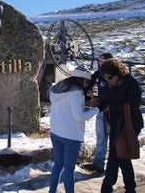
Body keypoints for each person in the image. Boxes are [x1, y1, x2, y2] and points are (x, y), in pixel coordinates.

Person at [48, 65, 104, 193]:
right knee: (69, 170)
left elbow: (68, 106)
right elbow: (79, 117)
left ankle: (52, 191)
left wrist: (86, 103)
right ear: (82, 80)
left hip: (56, 132)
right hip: (71, 135)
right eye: (86, 82)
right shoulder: (76, 93)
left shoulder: (59, 88)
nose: (87, 85)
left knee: (58, 165)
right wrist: (97, 109)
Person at [98, 58, 144, 193]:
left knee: (121, 156)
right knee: (117, 156)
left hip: (129, 124)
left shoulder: (131, 84)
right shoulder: (109, 84)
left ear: (117, 73)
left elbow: (133, 106)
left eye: (110, 77)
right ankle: (123, 188)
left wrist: (110, 107)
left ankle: (117, 188)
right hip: (115, 123)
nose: (108, 80)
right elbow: (106, 100)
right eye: (105, 77)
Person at [82, 52, 113, 173]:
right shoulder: (98, 74)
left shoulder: (115, 74)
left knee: (115, 137)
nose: (100, 63)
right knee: (101, 136)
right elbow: (87, 86)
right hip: (101, 108)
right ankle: (99, 163)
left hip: (115, 110)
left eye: (103, 61)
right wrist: (89, 99)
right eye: (99, 61)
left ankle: (114, 163)